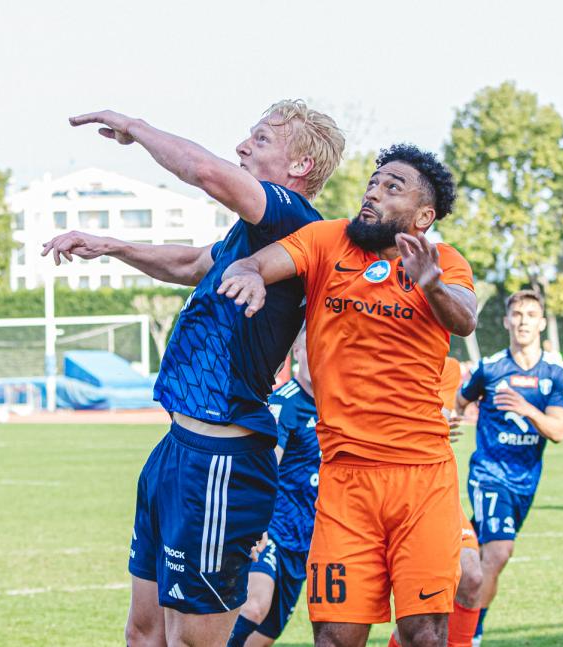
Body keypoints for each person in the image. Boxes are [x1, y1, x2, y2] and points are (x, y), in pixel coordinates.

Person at [43, 101, 345, 645]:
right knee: (144, 634)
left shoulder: (293, 218)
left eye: (261, 140)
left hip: (221, 460)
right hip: (178, 448)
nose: (242, 147)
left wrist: (136, 128)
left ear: (300, 165)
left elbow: (205, 172)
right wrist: (113, 247)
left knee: (191, 641)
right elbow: (189, 264)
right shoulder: (251, 236)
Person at [219, 143, 477, 647]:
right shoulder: (326, 240)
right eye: (373, 183)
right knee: (335, 637)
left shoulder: (444, 262)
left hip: (422, 478)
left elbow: (464, 318)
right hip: (343, 480)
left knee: (425, 634)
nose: (373, 193)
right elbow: (257, 263)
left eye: (392, 187)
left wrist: (431, 284)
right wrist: (248, 273)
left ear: (424, 216)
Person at [452, 290, 563, 647]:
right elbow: (459, 401)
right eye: (517, 314)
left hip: (525, 481)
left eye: (531, 315)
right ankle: (470, 636)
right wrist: (450, 420)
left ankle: (455, 611)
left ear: (542, 323)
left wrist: (527, 409)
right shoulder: (490, 368)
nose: (523, 321)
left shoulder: (556, 372)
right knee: (500, 551)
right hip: (489, 474)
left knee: (477, 557)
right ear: (506, 321)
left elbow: (558, 431)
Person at [228, 330, 320, 647]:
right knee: (254, 605)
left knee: (265, 635)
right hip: (274, 529)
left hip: (306, 537)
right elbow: (264, 468)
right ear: (297, 352)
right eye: (310, 348)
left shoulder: (337, 403)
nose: (318, 356)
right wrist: (258, 523)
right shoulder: (285, 404)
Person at [390, 356, 483, 647]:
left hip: (434, 487)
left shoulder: (448, 366)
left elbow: (440, 417)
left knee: (471, 575)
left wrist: (424, 422)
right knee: (416, 618)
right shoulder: (384, 356)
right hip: (383, 485)